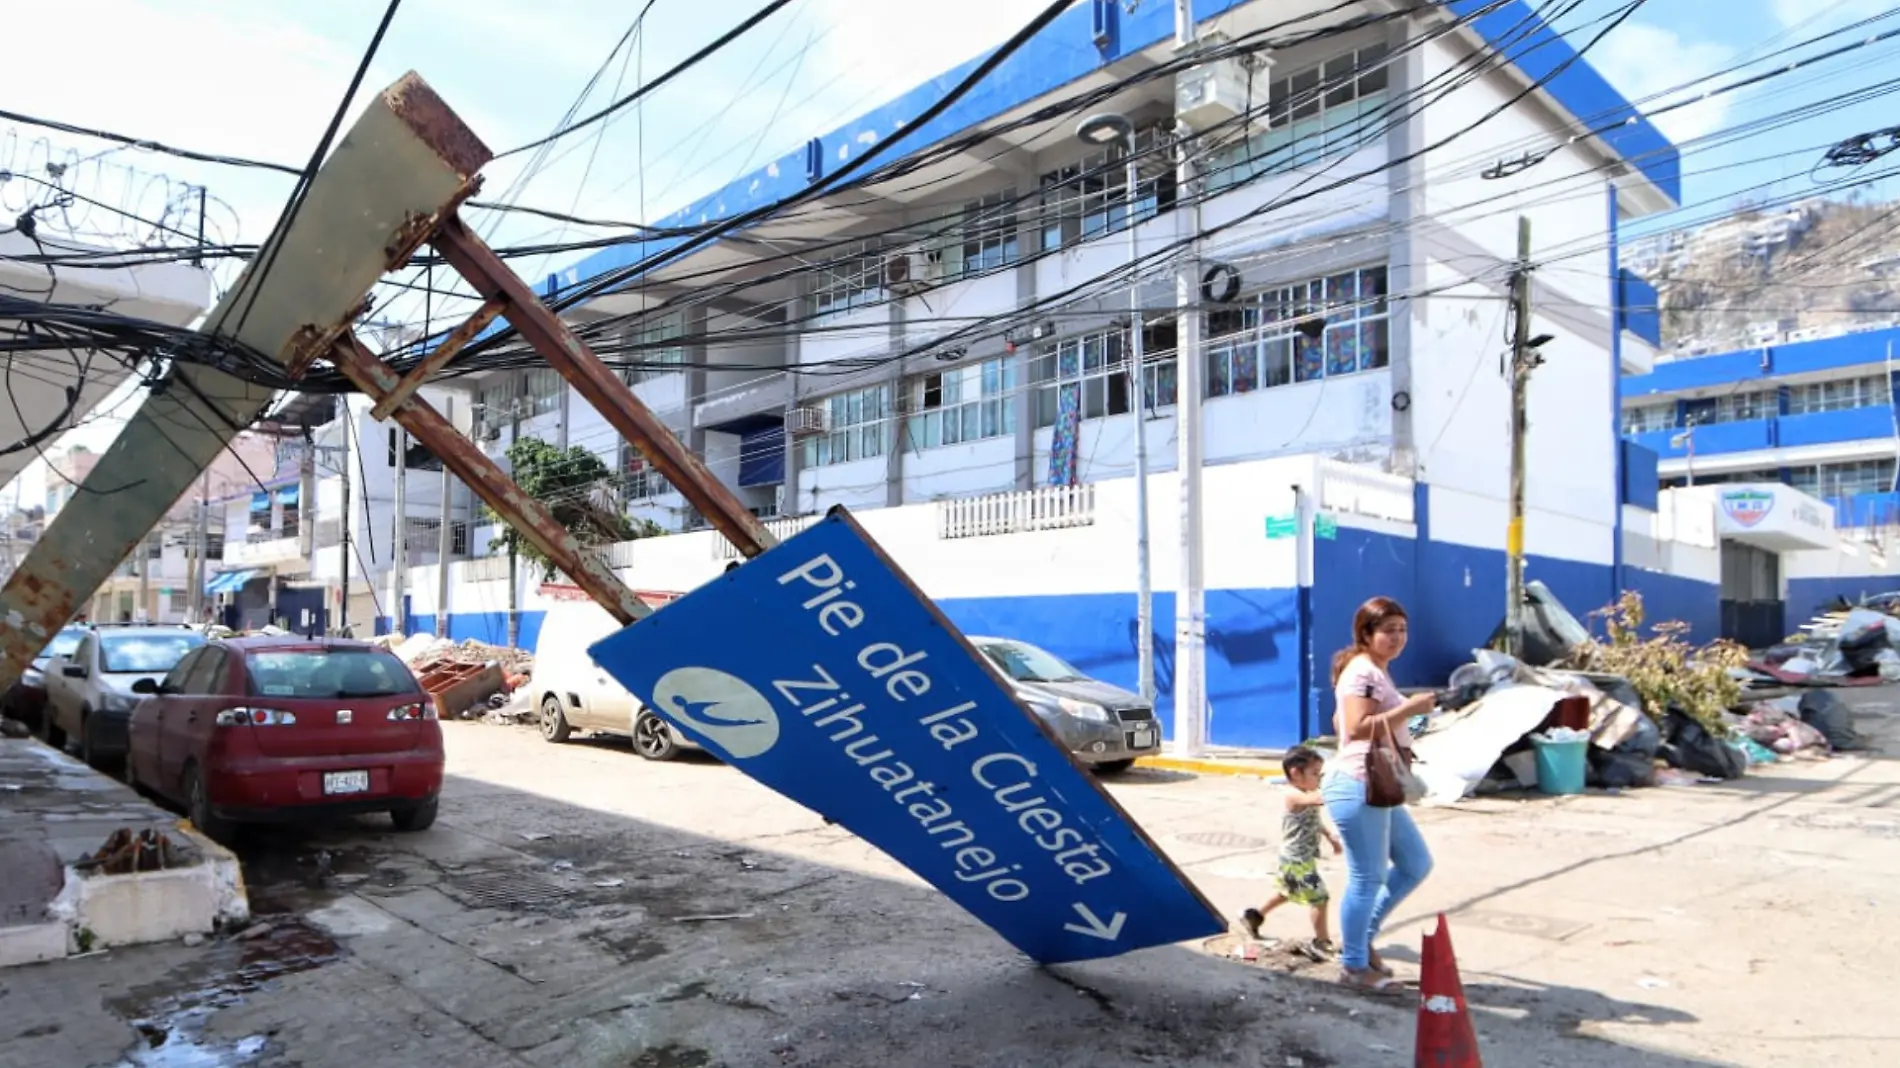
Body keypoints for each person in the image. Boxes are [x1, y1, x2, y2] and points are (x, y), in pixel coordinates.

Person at [1324, 595, 1437, 992]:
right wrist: (1410, 709)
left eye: (1402, 629)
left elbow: (1340, 720)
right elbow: (1355, 728)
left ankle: (1360, 939)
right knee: (1366, 878)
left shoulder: (1372, 671)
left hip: (1377, 784)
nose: (1397, 637)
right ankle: (1353, 966)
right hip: (1359, 783)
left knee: (1415, 863)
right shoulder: (1363, 672)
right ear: (1366, 634)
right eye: (1387, 630)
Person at [1238, 745, 1342, 958]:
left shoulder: (1305, 793)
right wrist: (1340, 785)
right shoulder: (1293, 795)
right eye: (1315, 774)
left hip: (1296, 858)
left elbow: (1314, 819)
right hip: (1297, 860)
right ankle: (1321, 942)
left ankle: (1255, 916)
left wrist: (1330, 836)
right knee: (1319, 898)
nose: (1319, 779)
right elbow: (1318, 799)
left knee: (1287, 892)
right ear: (1296, 773)